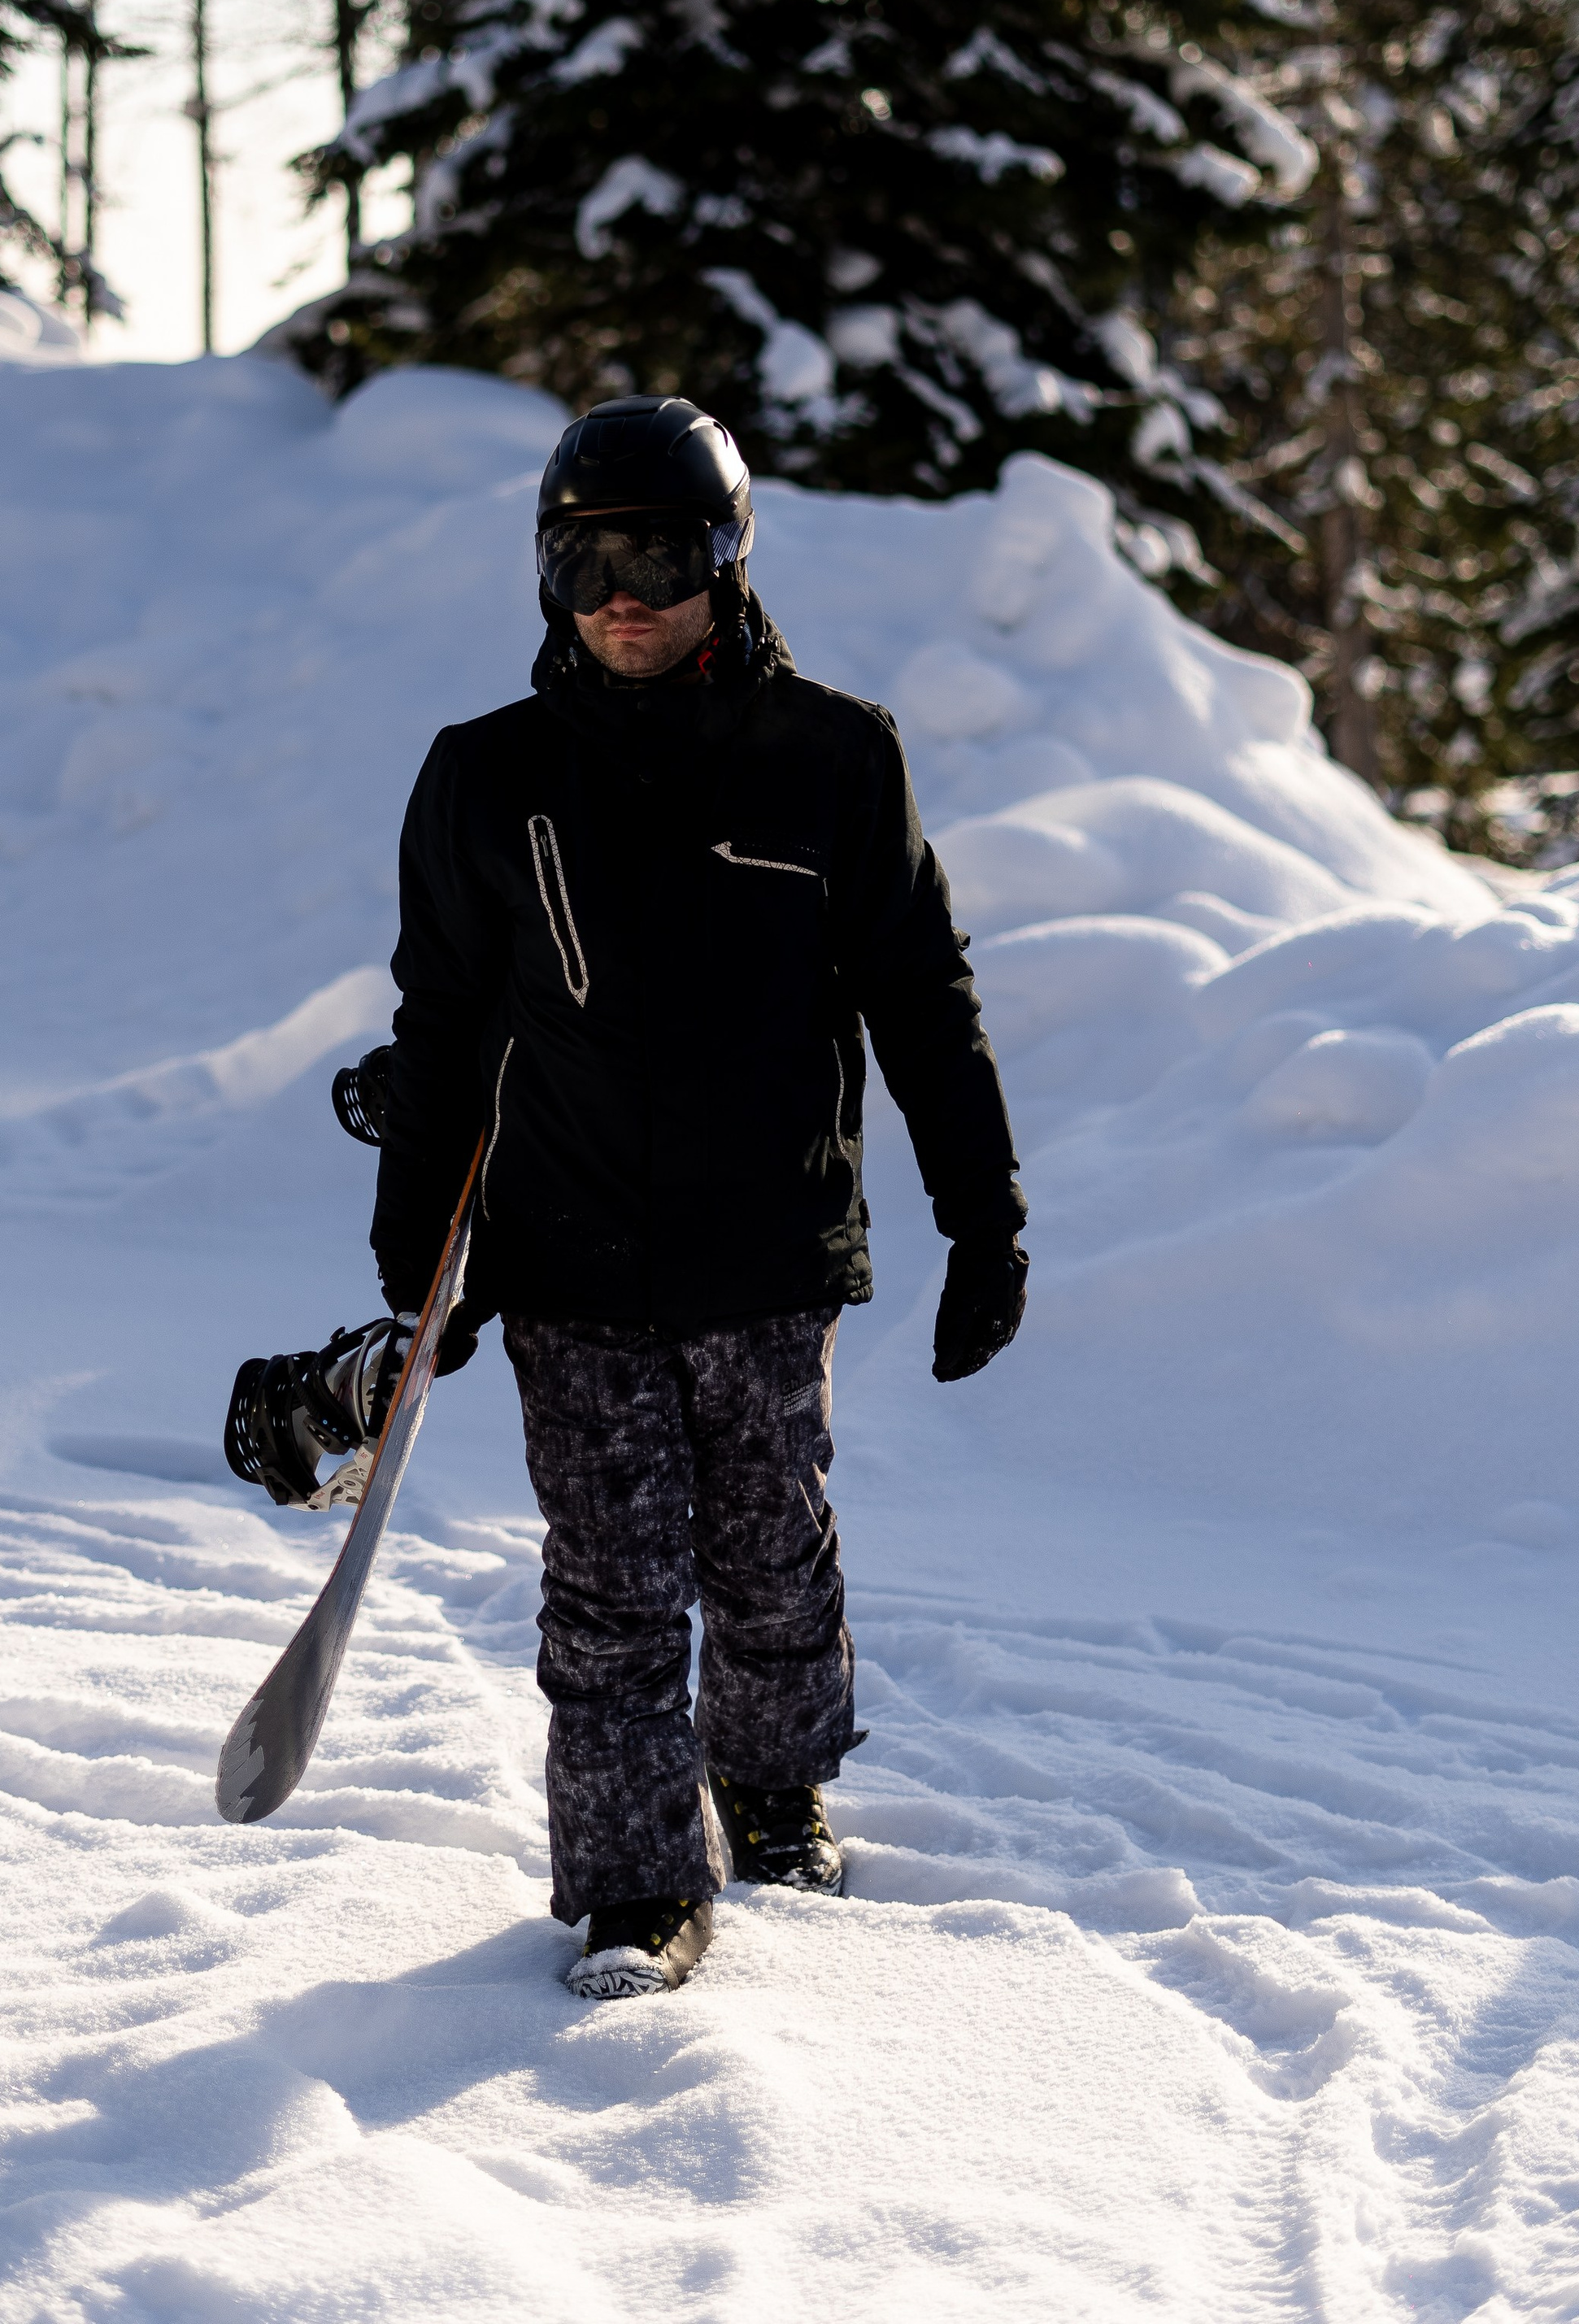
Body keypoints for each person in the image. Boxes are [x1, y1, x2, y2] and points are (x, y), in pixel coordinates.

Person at [380, 395, 1028, 1997]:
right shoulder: (485, 779)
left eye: (659, 553)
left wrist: (980, 1219)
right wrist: (418, 1263)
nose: (622, 591)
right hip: (568, 1249)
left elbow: (919, 999)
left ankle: (773, 1782)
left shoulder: (829, 759)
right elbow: (441, 1031)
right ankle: (630, 1889)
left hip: (763, 1248)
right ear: (548, 568)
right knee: (604, 1577)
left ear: (722, 562)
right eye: (587, 555)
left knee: (761, 1538)